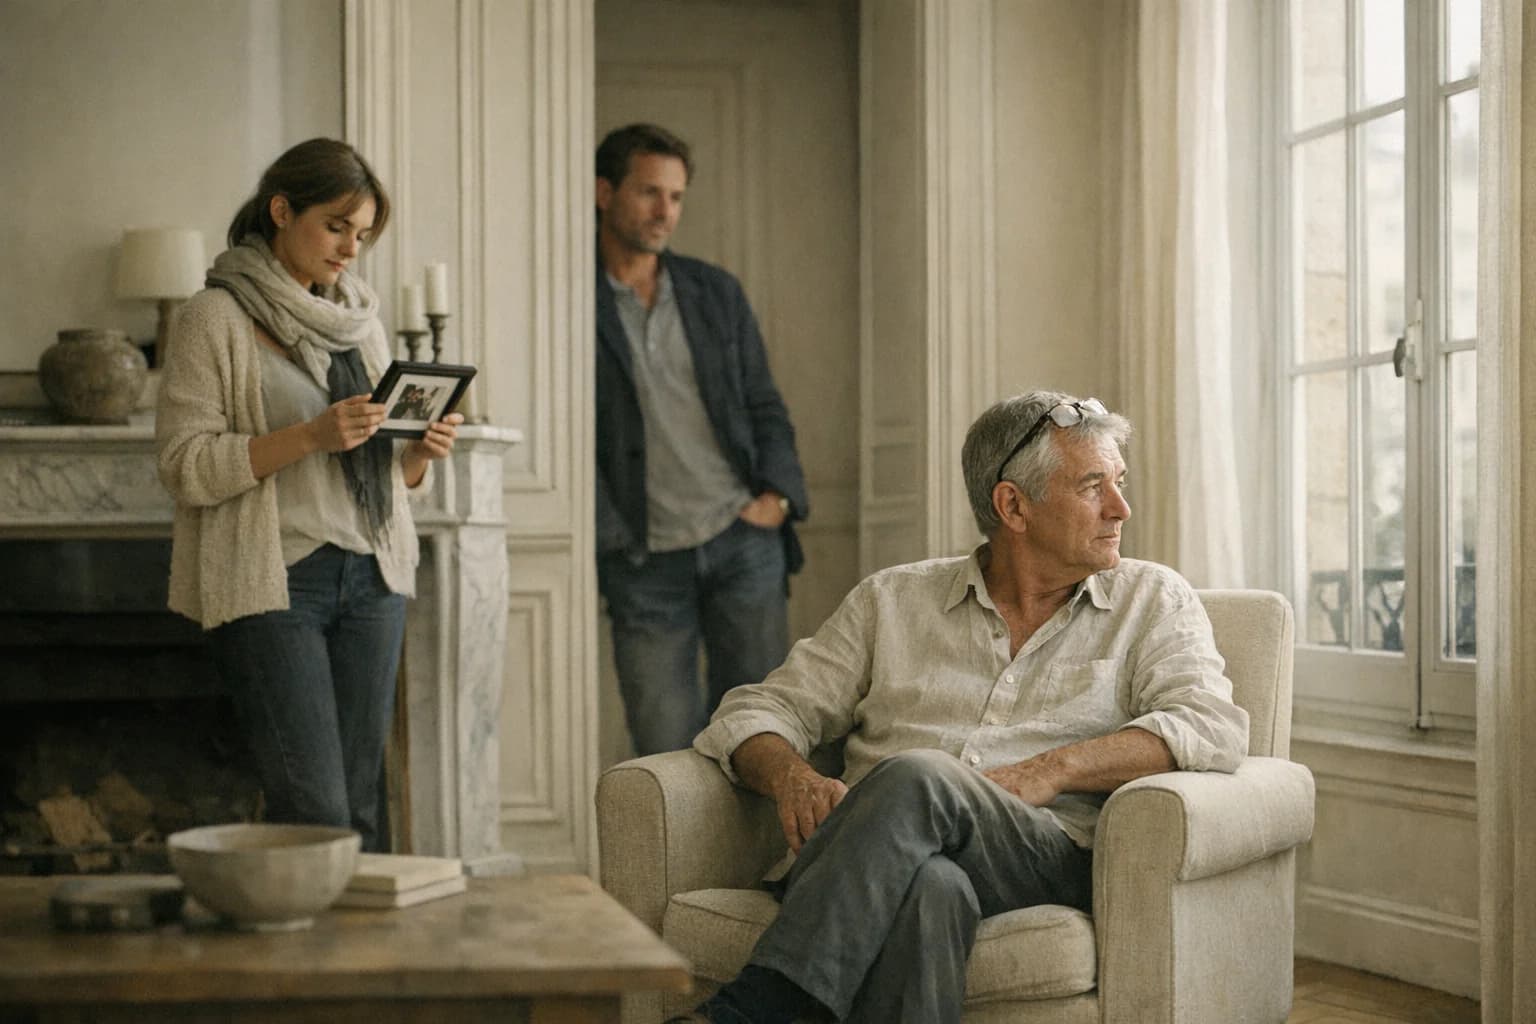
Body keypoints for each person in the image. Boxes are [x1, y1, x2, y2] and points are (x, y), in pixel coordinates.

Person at [669, 391, 1251, 1024]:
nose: (1120, 507)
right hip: (883, 864)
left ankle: (762, 1006)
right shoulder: (890, 601)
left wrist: (1050, 769)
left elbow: (1208, 724)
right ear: (1013, 506)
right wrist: (793, 777)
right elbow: (754, 711)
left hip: (1040, 856)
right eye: (1092, 486)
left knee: (920, 775)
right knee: (930, 888)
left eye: (1119, 482)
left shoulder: (1152, 600)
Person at [155, 138, 462, 852]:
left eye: (362, 234)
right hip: (276, 583)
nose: (350, 249)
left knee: (362, 802)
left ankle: (361, 962)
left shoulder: (360, 320)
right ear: (281, 209)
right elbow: (183, 465)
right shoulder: (214, 316)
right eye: (336, 226)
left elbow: (390, 480)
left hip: (372, 579)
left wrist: (416, 456)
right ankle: (304, 957)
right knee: (314, 809)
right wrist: (309, 436)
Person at [595, 123, 809, 756]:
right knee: (664, 749)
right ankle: (679, 864)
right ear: (604, 192)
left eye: (677, 197)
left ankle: (768, 863)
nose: (666, 212)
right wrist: (612, 534)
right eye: (649, 193)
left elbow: (764, 403)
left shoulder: (714, 292)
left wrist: (777, 497)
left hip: (742, 545)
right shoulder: (567, 299)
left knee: (764, 738)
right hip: (644, 560)